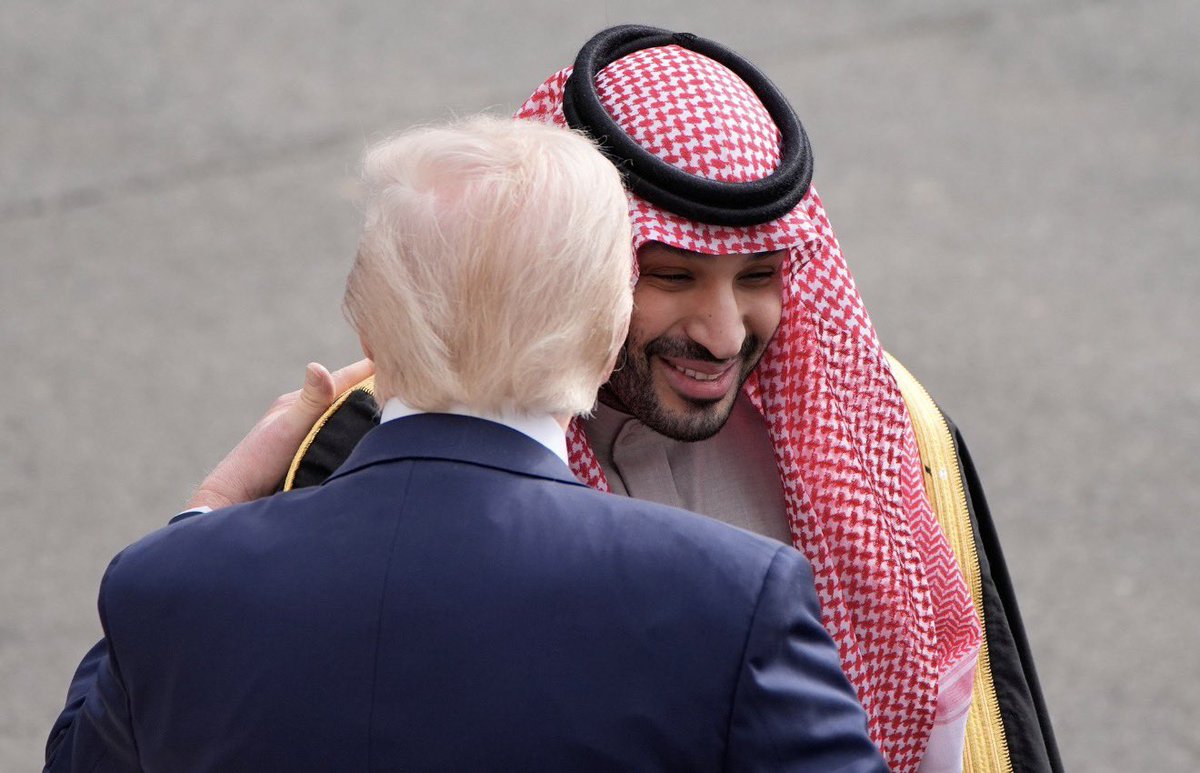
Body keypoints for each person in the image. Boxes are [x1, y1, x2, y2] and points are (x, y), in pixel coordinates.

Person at [280, 26, 1063, 773]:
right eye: (671, 275)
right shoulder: (380, 440)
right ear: (571, 268)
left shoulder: (880, 421)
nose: (724, 337)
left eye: (758, 276)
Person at [44, 116, 888, 772]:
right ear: (603, 338)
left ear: (369, 322)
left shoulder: (172, 584)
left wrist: (212, 509)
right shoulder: (735, 598)